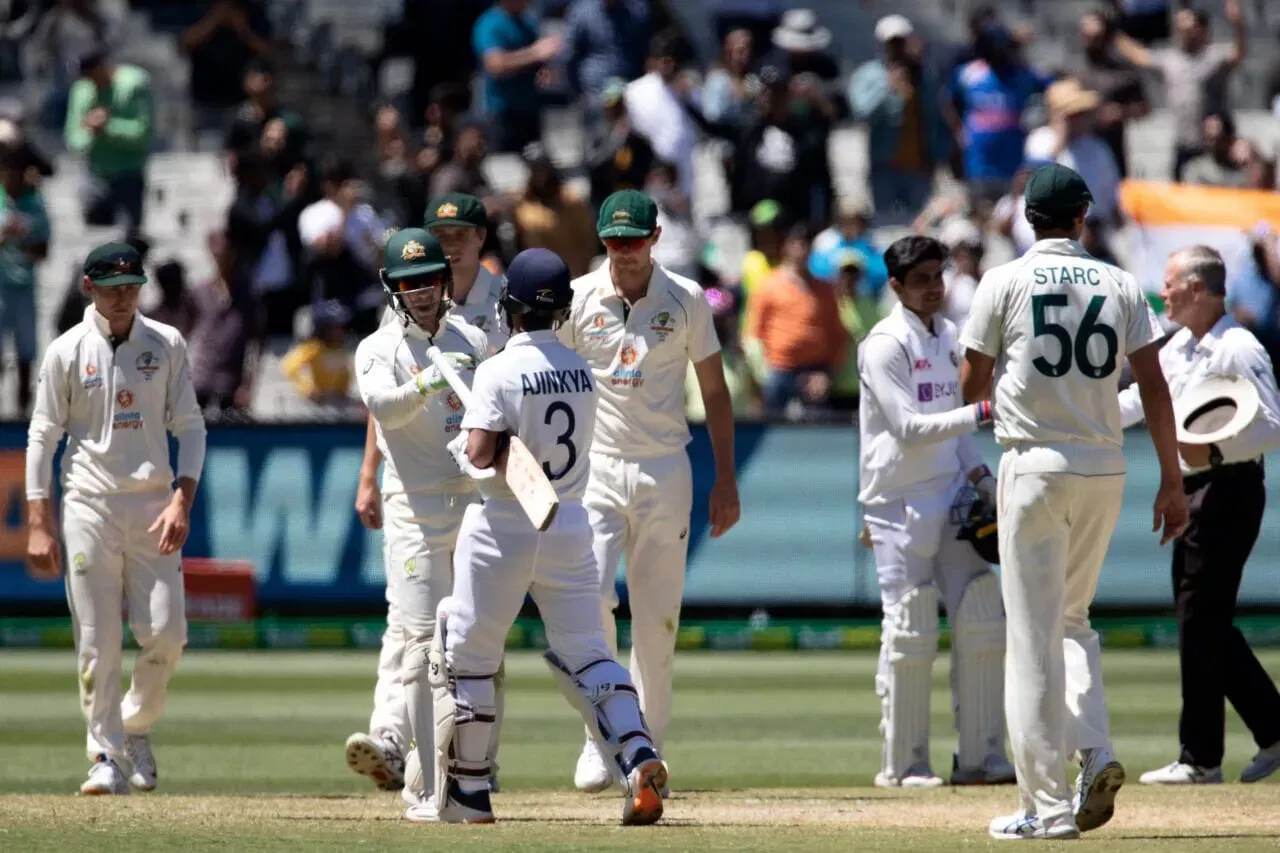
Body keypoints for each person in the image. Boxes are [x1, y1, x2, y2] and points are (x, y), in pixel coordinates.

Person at [958, 164, 1188, 839]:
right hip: (1104, 465)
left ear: (1027, 217)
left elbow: (970, 377)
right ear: (1083, 216)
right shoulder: (1118, 282)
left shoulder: (1001, 280)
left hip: (1034, 465)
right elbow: (1153, 385)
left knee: (1031, 639)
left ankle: (1047, 807)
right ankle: (1097, 751)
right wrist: (1172, 481)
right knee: (1072, 620)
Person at [411, 248, 667, 826]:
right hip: (570, 522)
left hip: (502, 522)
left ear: (511, 306)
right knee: (589, 652)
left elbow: (481, 453)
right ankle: (637, 753)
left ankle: (470, 795)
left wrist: (469, 447)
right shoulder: (582, 369)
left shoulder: (499, 368)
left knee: (469, 654)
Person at [557, 189, 741, 793]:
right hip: (598, 469)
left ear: (654, 237)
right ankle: (601, 737)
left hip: (666, 468)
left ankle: (647, 754)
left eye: (634, 241)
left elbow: (714, 391)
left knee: (658, 620)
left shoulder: (685, 298)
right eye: (614, 241)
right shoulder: (579, 298)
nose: (625, 252)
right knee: (593, 606)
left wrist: (727, 480)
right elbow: (549, 381)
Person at [25, 241, 206, 795]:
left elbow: (191, 427)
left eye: (132, 287)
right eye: (112, 288)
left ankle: (135, 726)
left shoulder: (165, 342)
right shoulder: (66, 350)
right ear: (89, 288)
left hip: (154, 505)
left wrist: (182, 499)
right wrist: (38, 519)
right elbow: (43, 435)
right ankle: (104, 754)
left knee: (167, 635)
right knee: (98, 640)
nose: (124, 298)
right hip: (88, 505)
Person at [346, 196, 507, 797]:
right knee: (417, 639)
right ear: (392, 289)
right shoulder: (376, 349)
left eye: (429, 282)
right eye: (408, 284)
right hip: (413, 509)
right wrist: (431, 378)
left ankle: (476, 763)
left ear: (444, 283)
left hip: (472, 502)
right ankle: (419, 771)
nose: (420, 293)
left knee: (474, 639)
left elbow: (500, 412)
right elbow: (383, 408)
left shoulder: (474, 332)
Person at [1115, 246, 1280, 786]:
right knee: (1202, 619)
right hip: (1195, 489)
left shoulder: (1239, 345)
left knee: (1199, 617)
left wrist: (1209, 453)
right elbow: (1140, 400)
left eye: (1170, 284)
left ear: (1197, 288)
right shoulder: (1178, 346)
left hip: (1228, 487)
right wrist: (1079, 419)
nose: (1162, 293)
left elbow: (1272, 425)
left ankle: (1201, 757)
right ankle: (1263, 733)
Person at [857, 235, 1013, 789]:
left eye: (937, 277)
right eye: (919, 280)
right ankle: (904, 764)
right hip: (897, 502)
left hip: (950, 493)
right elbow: (909, 428)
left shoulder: (950, 336)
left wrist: (984, 479)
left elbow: (952, 430)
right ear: (896, 286)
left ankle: (982, 757)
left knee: (981, 614)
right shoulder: (883, 345)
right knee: (910, 626)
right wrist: (984, 410)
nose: (932, 288)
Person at [64, 48, 152, 229]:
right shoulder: (82, 90)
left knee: (129, 238)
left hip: (129, 174)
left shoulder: (134, 84)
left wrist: (108, 128)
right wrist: (90, 131)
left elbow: (142, 134)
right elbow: (74, 139)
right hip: (96, 176)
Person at [0, 141, 50, 415]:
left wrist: (21, 243)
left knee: (25, 350)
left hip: (24, 286)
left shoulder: (35, 204)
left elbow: (43, 249)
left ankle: (22, 409)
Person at [280, 299, 354, 405]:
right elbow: (288, 368)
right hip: (314, 404)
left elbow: (345, 373)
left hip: (335, 402)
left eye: (341, 327)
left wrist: (343, 389)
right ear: (322, 328)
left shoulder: (341, 350)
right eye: (334, 327)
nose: (340, 331)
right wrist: (307, 388)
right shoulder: (312, 348)